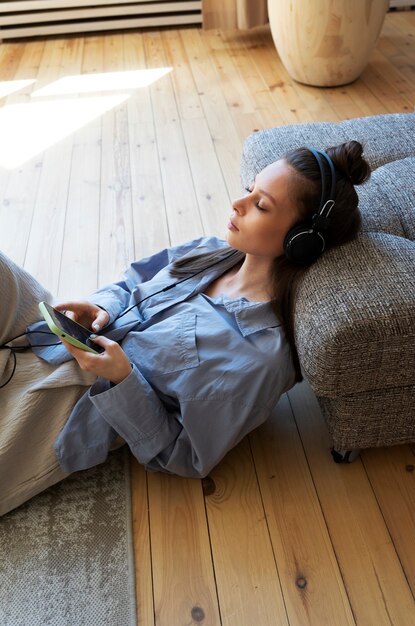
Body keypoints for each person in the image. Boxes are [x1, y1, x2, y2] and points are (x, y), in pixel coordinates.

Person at [0, 140, 370, 516]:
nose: (238, 205)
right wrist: (102, 307)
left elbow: (184, 455)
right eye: (249, 191)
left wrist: (123, 378)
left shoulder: (258, 357)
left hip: (64, 405)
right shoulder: (210, 250)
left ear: (301, 241)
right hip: (47, 332)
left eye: (261, 205)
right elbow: (132, 281)